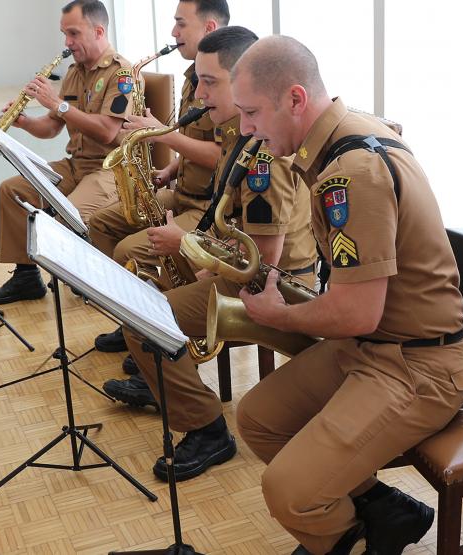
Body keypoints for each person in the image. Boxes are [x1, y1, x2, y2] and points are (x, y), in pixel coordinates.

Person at [230, 36, 463, 555]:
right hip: (374, 348)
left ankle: (344, 541)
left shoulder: (352, 172)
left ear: (296, 100)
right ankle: (382, 516)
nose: (244, 130)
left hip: (419, 366)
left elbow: (356, 311)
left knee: (288, 493)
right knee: (258, 419)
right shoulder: (342, 136)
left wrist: (278, 315)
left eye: (252, 113)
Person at [102, 26, 318, 483]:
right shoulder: (234, 133)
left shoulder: (262, 153)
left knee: (145, 323)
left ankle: (206, 428)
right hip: (241, 265)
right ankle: (167, 376)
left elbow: (263, 260)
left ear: (244, 83)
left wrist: (189, 249)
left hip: (275, 286)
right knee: (145, 297)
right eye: (197, 80)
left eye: (209, 82)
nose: (197, 92)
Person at [86, 0, 229, 354]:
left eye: (181, 24)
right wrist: (171, 168)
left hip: (210, 207)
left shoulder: (227, 86)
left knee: (127, 250)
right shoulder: (192, 78)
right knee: (102, 223)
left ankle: (156, 338)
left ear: (209, 28)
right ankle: (132, 321)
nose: (173, 33)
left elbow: (224, 157)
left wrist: (161, 133)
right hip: (183, 192)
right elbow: (196, 139)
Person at [0, 0, 133, 304]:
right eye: (64, 34)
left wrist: (57, 104)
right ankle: (27, 278)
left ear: (99, 31)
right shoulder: (75, 73)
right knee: (12, 190)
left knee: (69, 216)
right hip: (77, 165)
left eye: (73, 34)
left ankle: (94, 282)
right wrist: (23, 121)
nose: (67, 43)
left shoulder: (123, 74)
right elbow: (52, 127)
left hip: (111, 169)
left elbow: (107, 131)